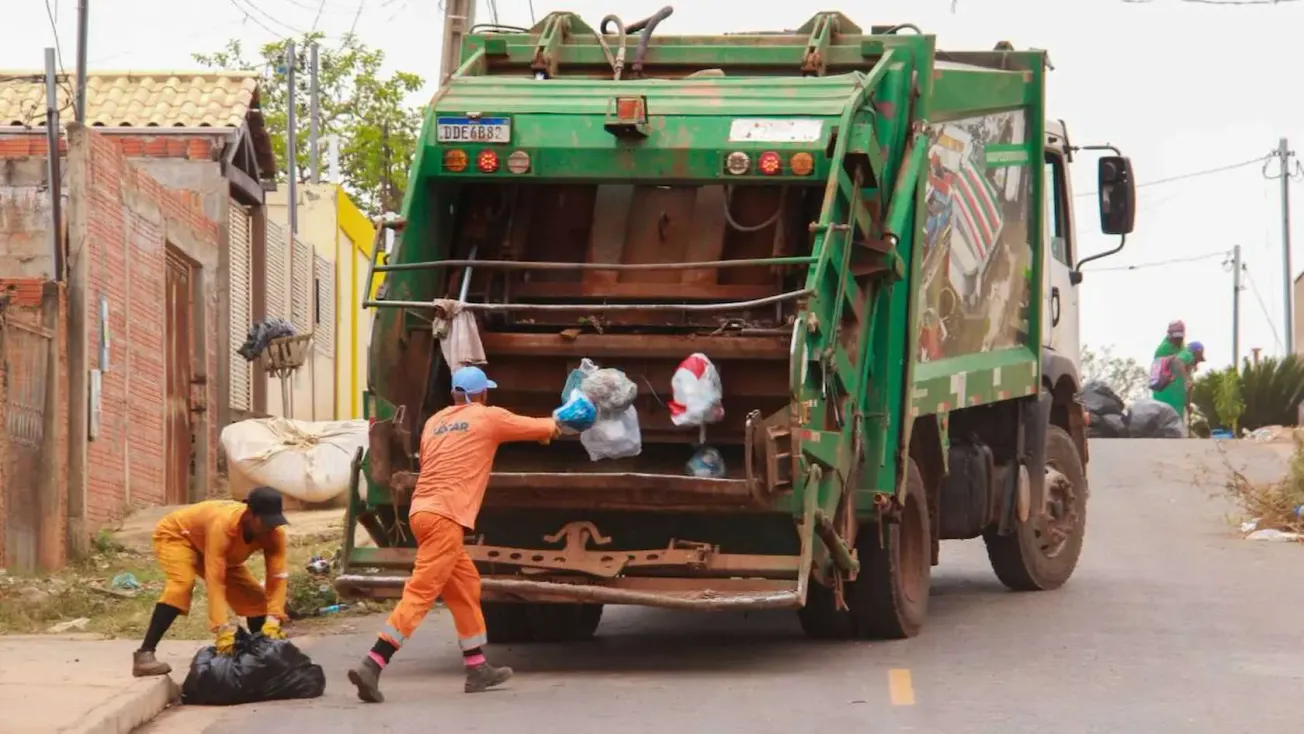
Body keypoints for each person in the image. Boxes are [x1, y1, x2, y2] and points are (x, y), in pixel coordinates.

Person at [348, 365, 564, 704]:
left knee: (466, 586)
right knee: (420, 592)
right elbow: (541, 427)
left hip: (422, 513)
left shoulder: (434, 423)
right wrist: (571, 415)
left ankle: (477, 668)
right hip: (447, 516)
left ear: (453, 395)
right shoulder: (487, 417)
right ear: (482, 394)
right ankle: (372, 663)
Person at [132, 487, 291, 677]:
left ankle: (262, 654)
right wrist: (221, 627)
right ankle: (145, 655)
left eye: (274, 522)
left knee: (255, 599)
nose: (270, 527)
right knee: (181, 585)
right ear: (250, 514)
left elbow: (277, 576)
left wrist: (274, 617)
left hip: (220, 552)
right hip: (178, 535)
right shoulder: (224, 525)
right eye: (265, 522)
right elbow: (215, 578)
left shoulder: (274, 534)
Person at [1153, 340, 1206, 433]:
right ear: (1197, 352)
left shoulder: (1187, 369)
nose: (1197, 362)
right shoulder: (1188, 354)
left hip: (1168, 401)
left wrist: (1188, 404)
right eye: (1198, 358)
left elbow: (1189, 389)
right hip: (1173, 402)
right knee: (1175, 430)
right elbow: (1179, 360)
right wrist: (1187, 379)